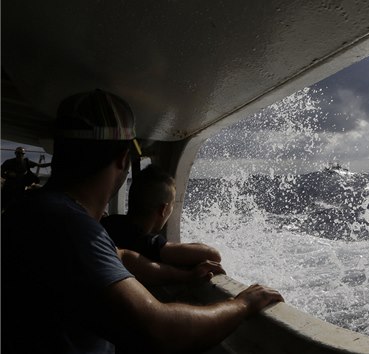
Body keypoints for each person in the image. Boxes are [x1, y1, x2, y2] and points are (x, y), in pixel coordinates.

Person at [2, 89, 283, 354]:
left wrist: (182, 276)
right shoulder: (68, 225)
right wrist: (243, 304)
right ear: (123, 160)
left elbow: (119, 257)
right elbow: (160, 330)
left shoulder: (32, 209)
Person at [102, 164, 226, 285]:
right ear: (163, 209)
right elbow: (213, 255)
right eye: (172, 206)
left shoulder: (108, 223)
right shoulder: (146, 242)